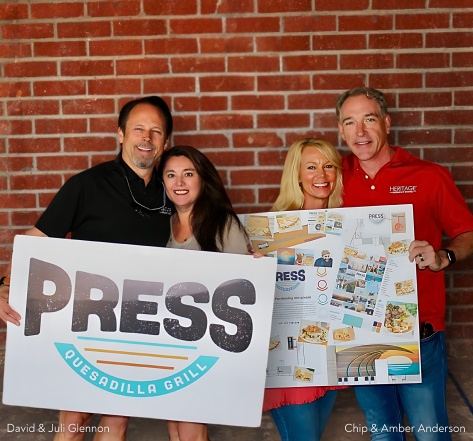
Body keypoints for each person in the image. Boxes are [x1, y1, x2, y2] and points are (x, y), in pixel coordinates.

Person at [0, 95, 174, 441]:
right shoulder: (87, 185)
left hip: (140, 323)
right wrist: (4, 284)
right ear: (121, 134)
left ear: (166, 142)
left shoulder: (173, 190)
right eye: (138, 128)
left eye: (156, 132)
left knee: (117, 421)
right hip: (85, 320)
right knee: (75, 420)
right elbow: (35, 240)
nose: (147, 138)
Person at [336, 86, 473, 440]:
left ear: (386, 122)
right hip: (359, 333)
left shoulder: (429, 176)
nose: (360, 132)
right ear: (340, 130)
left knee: (430, 432)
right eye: (350, 122)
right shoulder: (333, 177)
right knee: (383, 432)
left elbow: (467, 231)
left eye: (369, 119)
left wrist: (445, 255)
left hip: (419, 331)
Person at [157, 145, 249, 441]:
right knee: (175, 428)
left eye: (188, 174)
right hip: (168, 346)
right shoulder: (161, 227)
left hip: (206, 348)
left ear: (202, 179)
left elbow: (242, 292)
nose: (179, 183)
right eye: (171, 175)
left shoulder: (223, 225)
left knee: (191, 431)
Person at [265, 138, 346, 441]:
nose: (322, 175)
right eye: (311, 167)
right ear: (296, 175)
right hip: (288, 357)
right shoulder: (275, 230)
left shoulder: (349, 223)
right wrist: (255, 265)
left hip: (329, 353)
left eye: (329, 166)